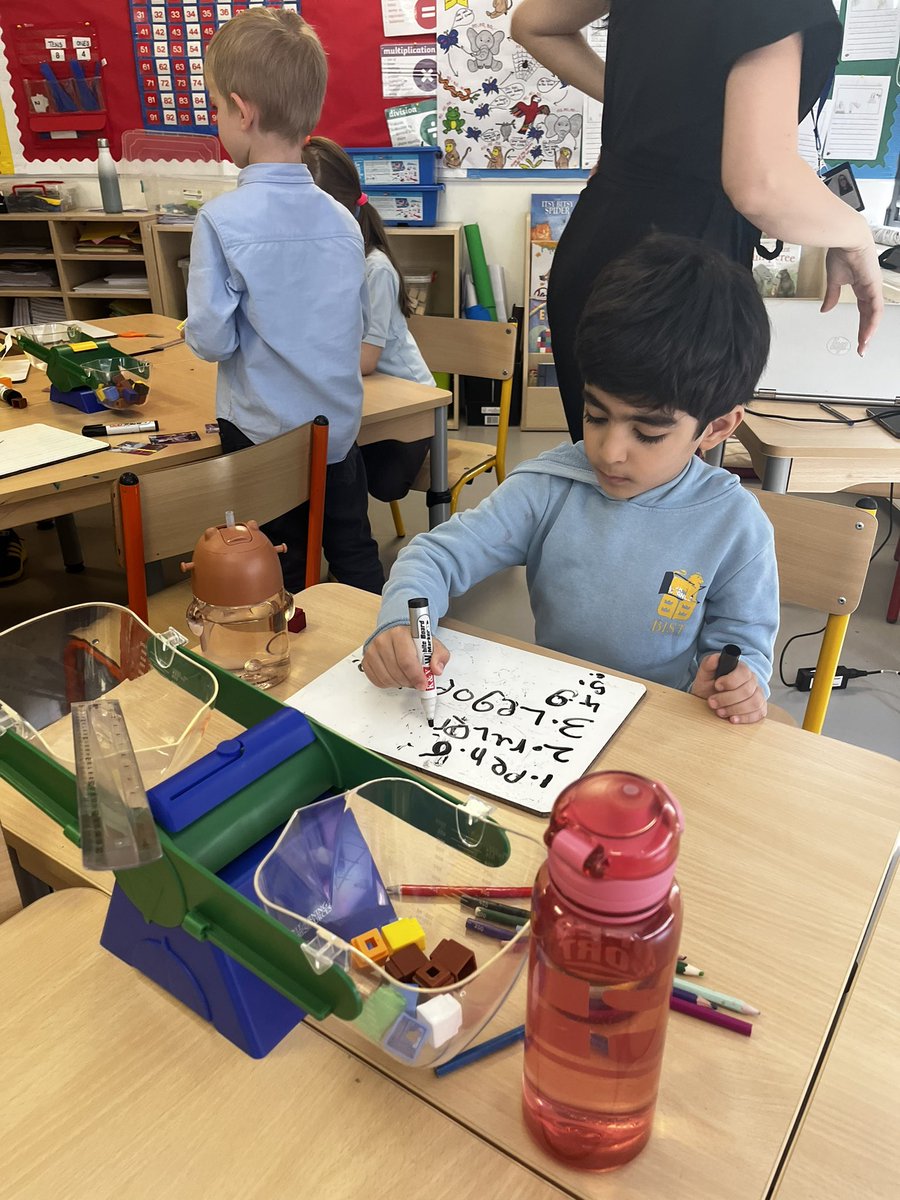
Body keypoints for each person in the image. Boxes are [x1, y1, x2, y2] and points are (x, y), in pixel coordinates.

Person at [363, 234, 779, 725]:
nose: (609, 451)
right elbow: (435, 554)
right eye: (595, 415)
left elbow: (743, 646)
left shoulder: (735, 526)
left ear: (717, 427)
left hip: (662, 726)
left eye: (647, 433)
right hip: (553, 714)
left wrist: (736, 683)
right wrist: (402, 624)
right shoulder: (550, 487)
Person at [510, 0, 885, 442]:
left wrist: (651, 114)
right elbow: (760, 185)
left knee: (609, 468)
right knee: (648, 480)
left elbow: (533, 24)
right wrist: (857, 237)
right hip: (677, 276)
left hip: (599, 242)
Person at [184, 8, 384, 593]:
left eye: (218, 109)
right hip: (337, 431)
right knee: (354, 552)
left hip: (260, 436)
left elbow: (213, 340)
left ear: (242, 111)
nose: (218, 121)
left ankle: (291, 667)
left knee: (277, 565)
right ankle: (373, 651)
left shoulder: (220, 220)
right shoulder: (344, 220)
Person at [303, 137, 434, 503]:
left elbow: (367, 359)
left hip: (410, 405)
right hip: (364, 397)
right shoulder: (326, 262)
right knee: (323, 467)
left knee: (378, 484)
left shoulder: (375, 269)